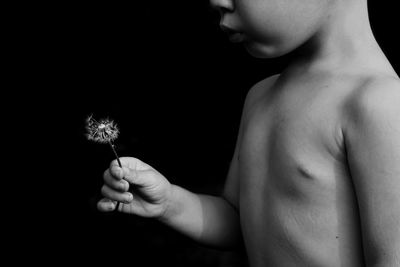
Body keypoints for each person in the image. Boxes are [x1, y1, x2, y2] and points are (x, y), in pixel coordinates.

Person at [97, 0, 400, 266]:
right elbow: (242, 221)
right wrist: (169, 203)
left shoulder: (377, 104)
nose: (218, 2)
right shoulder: (261, 96)